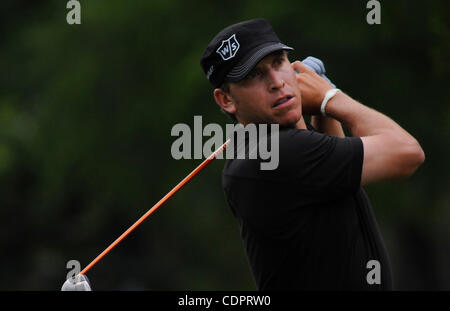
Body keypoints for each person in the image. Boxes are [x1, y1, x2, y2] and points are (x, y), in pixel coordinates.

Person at [200, 18, 425, 290]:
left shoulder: (277, 148)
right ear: (226, 100)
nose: (276, 82)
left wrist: (321, 108)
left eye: (278, 62)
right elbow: (407, 153)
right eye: (253, 75)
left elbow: (339, 181)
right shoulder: (274, 154)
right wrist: (331, 97)